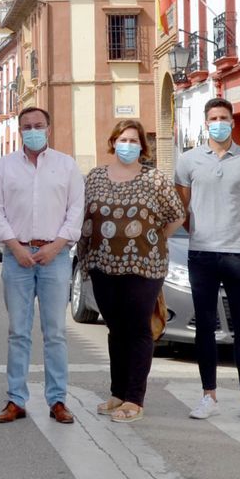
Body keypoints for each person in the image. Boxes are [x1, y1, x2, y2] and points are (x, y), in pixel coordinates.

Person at [77, 120, 184, 423]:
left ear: (142, 146)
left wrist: (156, 237)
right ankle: (117, 392)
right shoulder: (95, 177)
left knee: (138, 330)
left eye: (133, 140)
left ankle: (134, 399)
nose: (128, 145)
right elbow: (82, 213)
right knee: (116, 329)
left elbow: (177, 214)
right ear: (113, 143)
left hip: (143, 267)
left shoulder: (155, 179)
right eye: (122, 139)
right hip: (102, 264)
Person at [0, 106, 84, 425]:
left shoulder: (66, 166)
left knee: (55, 332)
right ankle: (16, 399)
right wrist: (14, 247)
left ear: (49, 128)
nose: (33, 130)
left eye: (38, 125)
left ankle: (57, 400)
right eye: (26, 126)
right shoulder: (4, 167)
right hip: (17, 258)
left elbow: (75, 212)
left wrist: (56, 247)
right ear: (19, 130)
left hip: (54, 257)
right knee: (18, 332)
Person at [175, 97, 240, 424]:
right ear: (205, 123)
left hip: (239, 253)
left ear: (231, 121)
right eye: (213, 118)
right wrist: (203, 230)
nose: (219, 122)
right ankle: (208, 395)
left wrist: (235, 231)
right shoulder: (187, 161)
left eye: (224, 117)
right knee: (205, 327)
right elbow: (182, 209)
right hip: (201, 253)